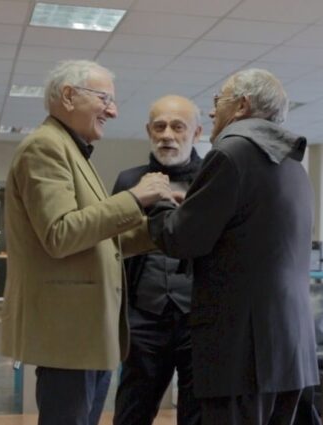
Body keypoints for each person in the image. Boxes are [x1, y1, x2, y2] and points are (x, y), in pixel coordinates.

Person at [0, 60, 173, 425]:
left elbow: (98, 239)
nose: (113, 111)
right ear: (68, 96)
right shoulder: (44, 147)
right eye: (104, 99)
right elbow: (61, 234)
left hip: (88, 334)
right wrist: (135, 198)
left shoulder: (72, 148)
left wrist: (166, 229)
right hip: (70, 335)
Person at [147, 69, 319, 425]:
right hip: (290, 348)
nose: (212, 111)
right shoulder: (292, 161)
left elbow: (180, 239)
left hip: (243, 350)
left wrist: (159, 199)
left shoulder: (231, 153)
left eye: (218, 101)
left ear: (241, 106)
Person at [112, 95, 204, 425]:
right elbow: (113, 243)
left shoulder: (213, 179)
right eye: (159, 126)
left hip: (199, 317)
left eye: (178, 127)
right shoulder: (128, 181)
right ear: (148, 131)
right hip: (143, 316)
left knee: (198, 414)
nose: (167, 135)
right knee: (132, 409)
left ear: (196, 133)